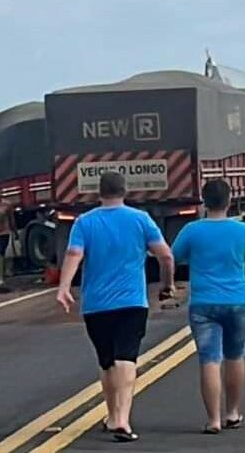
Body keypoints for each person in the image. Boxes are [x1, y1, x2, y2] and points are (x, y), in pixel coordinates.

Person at [56, 172, 175, 442]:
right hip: (132, 301)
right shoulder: (140, 219)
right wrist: (166, 285)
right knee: (126, 358)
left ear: (99, 192)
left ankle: (112, 416)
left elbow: (74, 254)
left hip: (96, 305)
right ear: (125, 191)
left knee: (107, 361)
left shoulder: (84, 222)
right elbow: (165, 256)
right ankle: (121, 419)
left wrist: (64, 287)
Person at [172, 180, 245, 434]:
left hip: (203, 303)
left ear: (204, 200)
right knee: (235, 356)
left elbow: (174, 257)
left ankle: (213, 419)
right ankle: (232, 413)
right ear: (229, 200)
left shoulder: (192, 230)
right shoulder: (243, 231)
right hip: (236, 301)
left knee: (209, 360)